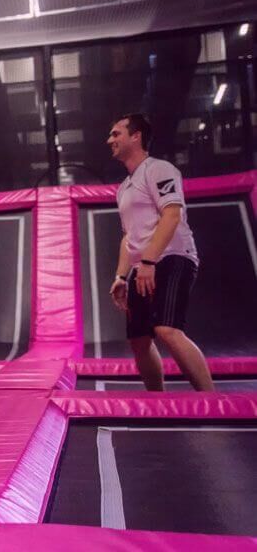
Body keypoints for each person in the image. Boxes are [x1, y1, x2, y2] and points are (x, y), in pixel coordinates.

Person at [106, 114, 214, 392]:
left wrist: (148, 260)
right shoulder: (123, 189)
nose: (110, 140)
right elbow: (128, 236)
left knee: (166, 329)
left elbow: (171, 215)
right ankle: (156, 401)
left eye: (116, 134)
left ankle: (213, 401)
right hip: (144, 265)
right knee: (139, 340)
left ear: (136, 136)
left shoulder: (159, 169)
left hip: (174, 256)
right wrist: (121, 276)